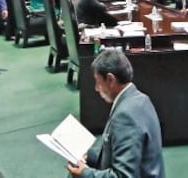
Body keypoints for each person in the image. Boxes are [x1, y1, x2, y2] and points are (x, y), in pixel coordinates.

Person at [66, 49, 165, 178]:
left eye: (97, 81)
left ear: (110, 79)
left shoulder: (125, 116)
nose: (96, 88)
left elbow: (123, 176)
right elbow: (117, 153)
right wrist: (88, 154)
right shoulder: (141, 99)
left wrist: (85, 174)